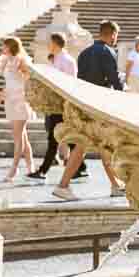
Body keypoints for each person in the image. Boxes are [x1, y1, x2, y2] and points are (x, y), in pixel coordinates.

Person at [53, 20, 126, 201]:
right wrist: (123, 95)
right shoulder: (108, 52)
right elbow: (114, 80)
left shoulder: (84, 53)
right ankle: (63, 185)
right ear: (112, 34)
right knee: (93, 144)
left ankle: (115, 185)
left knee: (99, 145)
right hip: (100, 106)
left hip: (85, 104)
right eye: (116, 36)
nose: (116, 39)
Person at [29, 34, 84, 182]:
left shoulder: (67, 60)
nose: (48, 45)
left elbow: (70, 83)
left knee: (54, 138)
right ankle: (81, 167)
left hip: (61, 105)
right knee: (66, 136)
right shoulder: (56, 59)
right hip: (54, 104)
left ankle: (43, 171)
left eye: (49, 43)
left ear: (55, 43)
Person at [0, 37, 34, 182]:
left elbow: (28, 79)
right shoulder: (6, 61)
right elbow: (7, 85)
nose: (2, 47)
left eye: (4, 45)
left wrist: (22, 73)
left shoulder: (21, 60)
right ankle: (31, 169)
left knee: (18, 137)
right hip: (10, 101)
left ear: (10, 46)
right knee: (22, 137)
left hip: (20, 101)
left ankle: (13, 170)